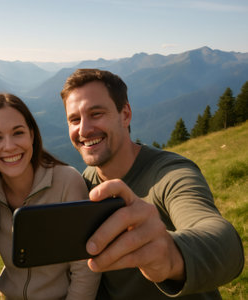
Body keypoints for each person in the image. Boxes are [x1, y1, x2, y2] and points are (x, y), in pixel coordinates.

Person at [60, 68, 245, 299]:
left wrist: (170, 255)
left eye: (96, 114)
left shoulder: (171, 174)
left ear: (125, 114)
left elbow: (224, 243)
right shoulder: (82, 183)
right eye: (74, 119)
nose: (84, 129)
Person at [0, 93, 101, 299]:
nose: (9, 146)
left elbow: (85, 268)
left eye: (18, 133)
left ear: (32, 135)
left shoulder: (66, 181)